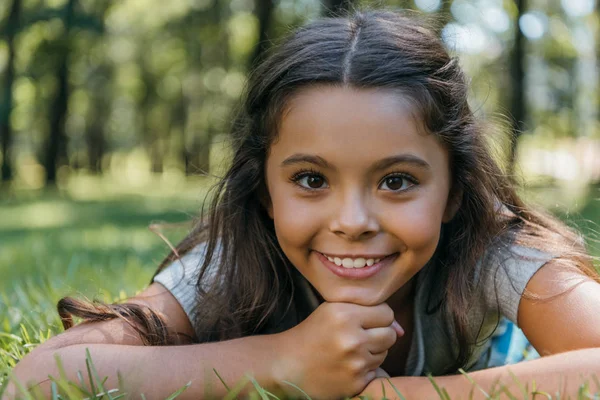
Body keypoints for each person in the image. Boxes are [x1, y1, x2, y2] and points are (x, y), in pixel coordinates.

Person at [9, 9, 600, 400]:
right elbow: (38, 379)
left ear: (453, 192)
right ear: (265, 189)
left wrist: (403, 394)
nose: (351, 221)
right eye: (312, 180)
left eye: (396, 181)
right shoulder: (229, 264)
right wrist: (283, 359)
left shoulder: (492, 250)